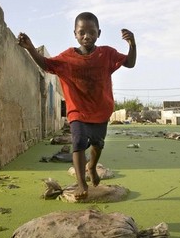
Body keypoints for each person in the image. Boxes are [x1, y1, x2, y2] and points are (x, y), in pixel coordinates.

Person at [17, 12, 136, 199]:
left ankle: (92, 167)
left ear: (99, 33)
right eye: (82, 32)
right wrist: (30, 47)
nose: (86, 36)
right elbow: (46, 64)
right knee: (79, 142)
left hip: (100, 109)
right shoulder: (67, 58)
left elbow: (130, 63)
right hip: (77, 110)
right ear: (75, 34)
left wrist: (132, 44)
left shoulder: (107, 54)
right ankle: (82, 184)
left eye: (91, 32)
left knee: (98, 144)